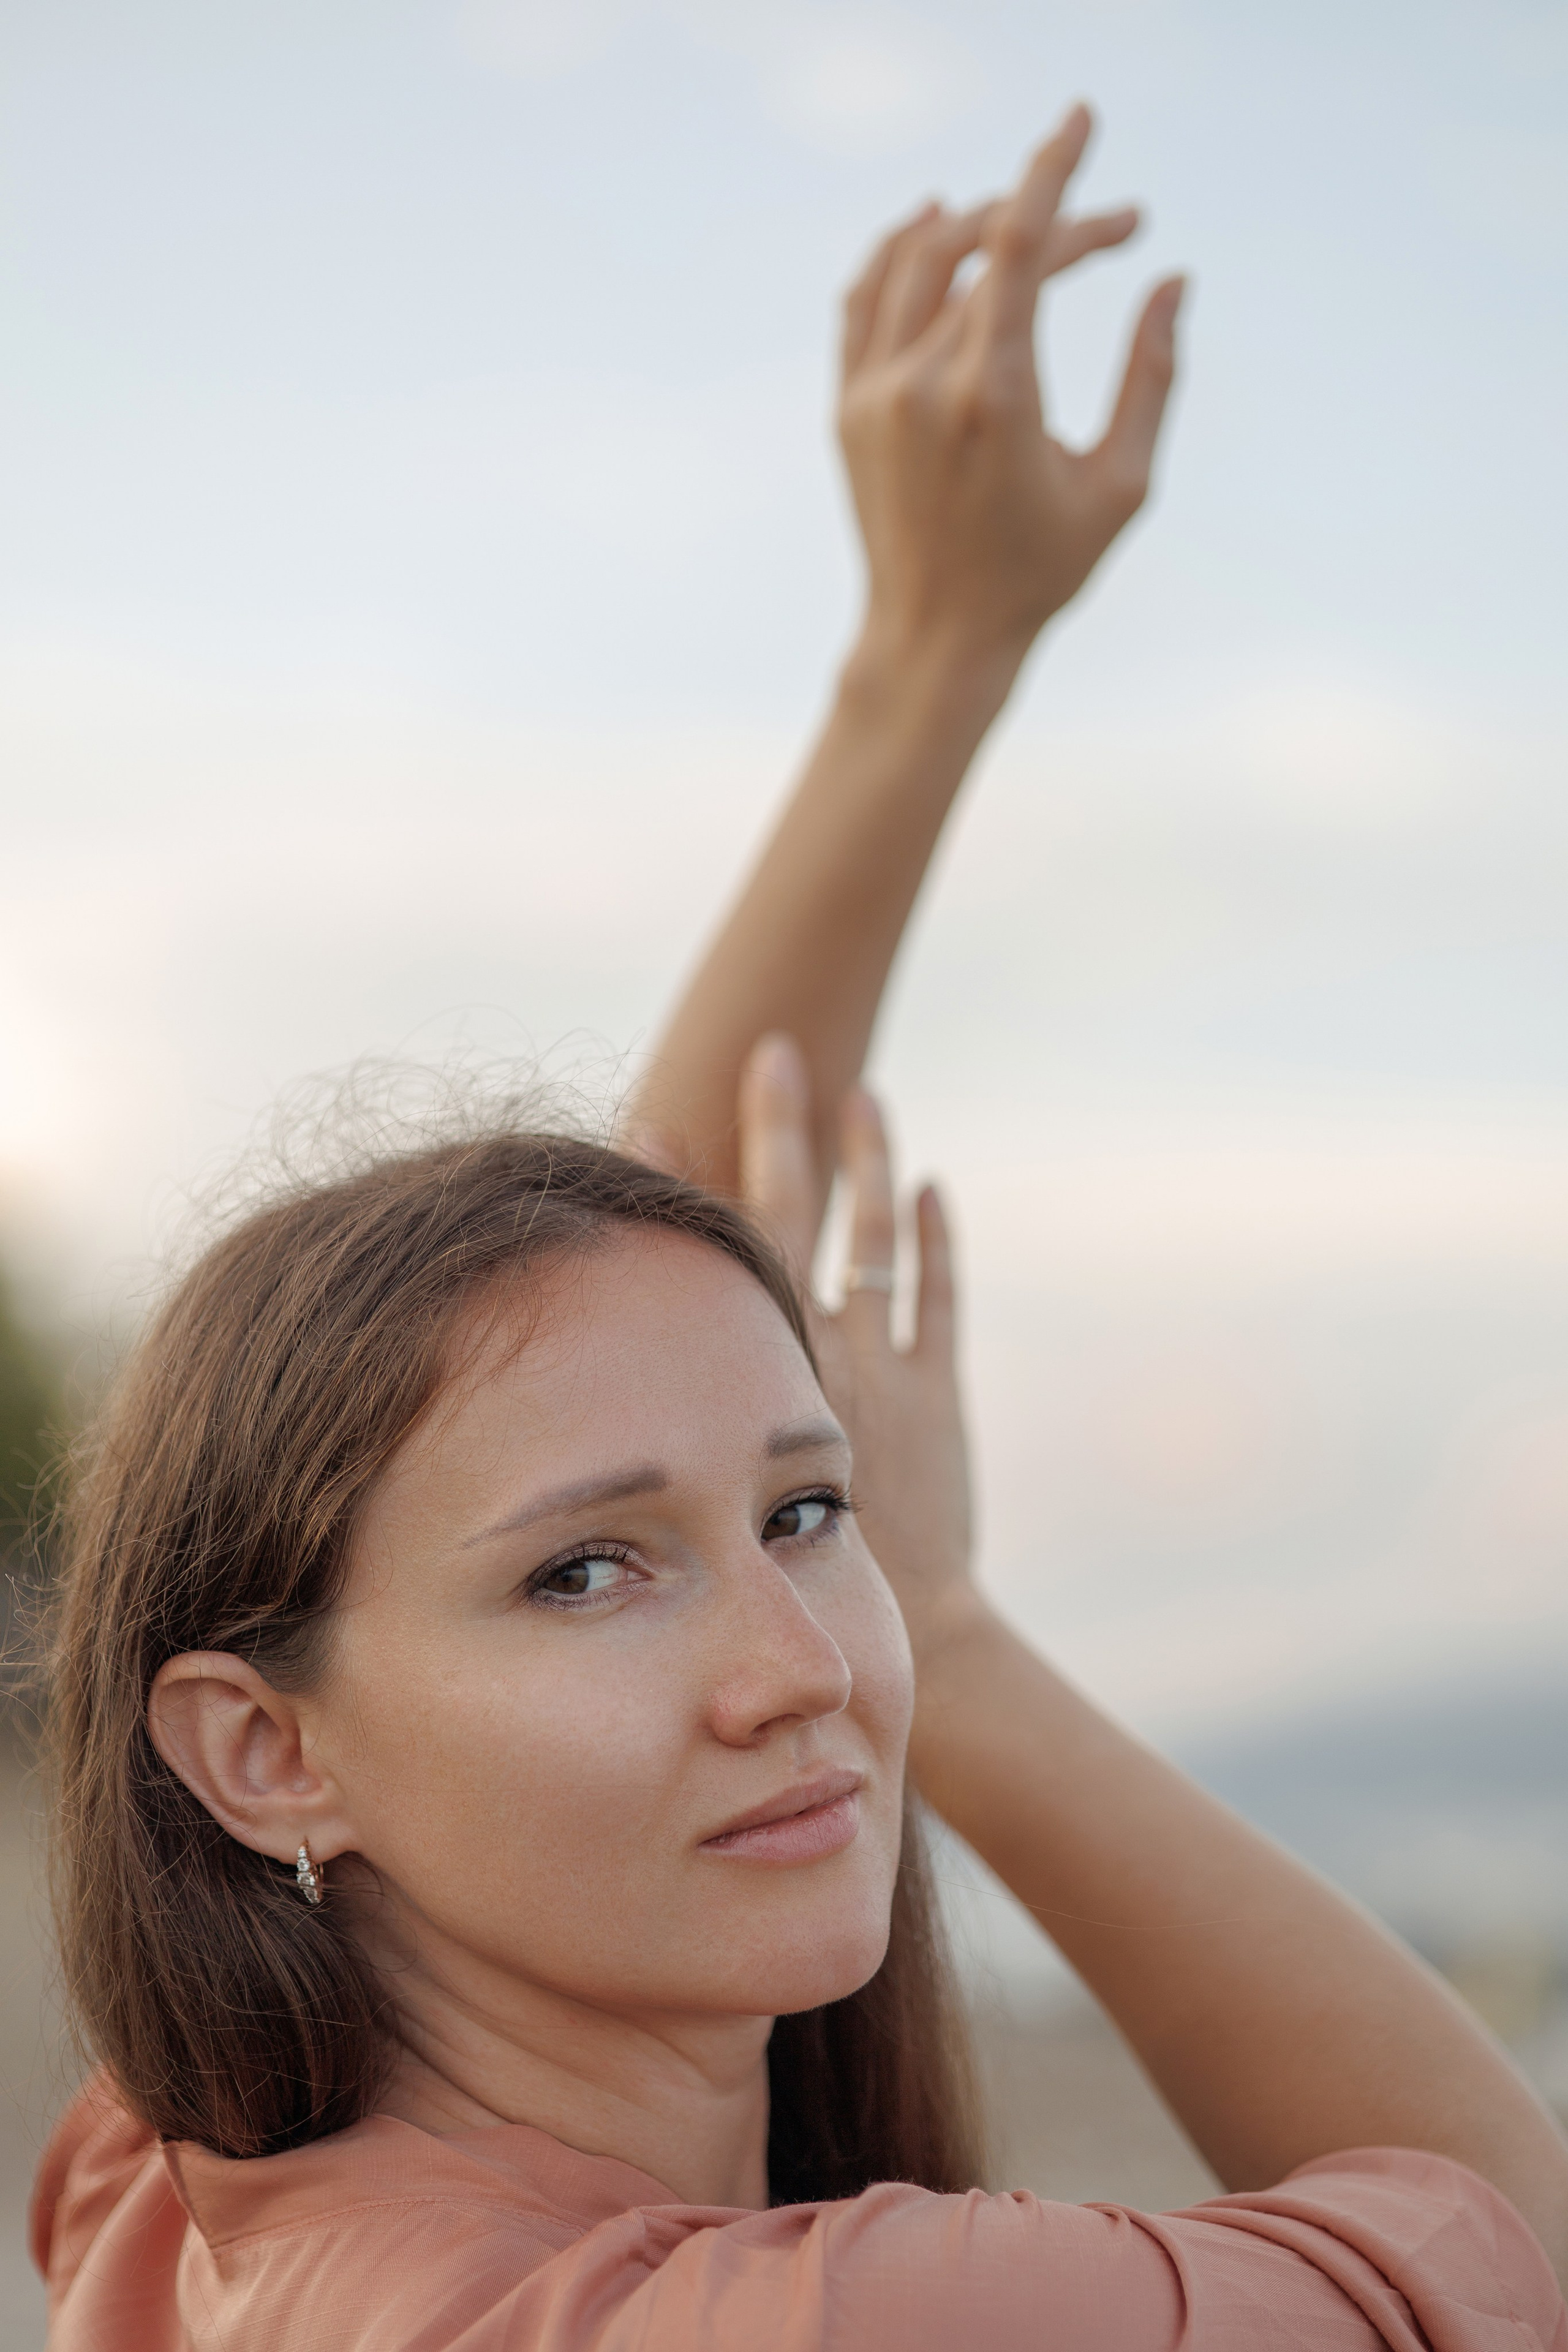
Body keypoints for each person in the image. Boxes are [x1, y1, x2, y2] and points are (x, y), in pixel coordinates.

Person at [30, 106, 1568, 2352]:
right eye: (586, 1576)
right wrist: (970, 1639)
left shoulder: (184, 2195)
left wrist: (931, 656)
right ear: (263, 1751)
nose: (809, 1667)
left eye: (805, 1514)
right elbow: (1512, 2242)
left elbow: (590, 1331)